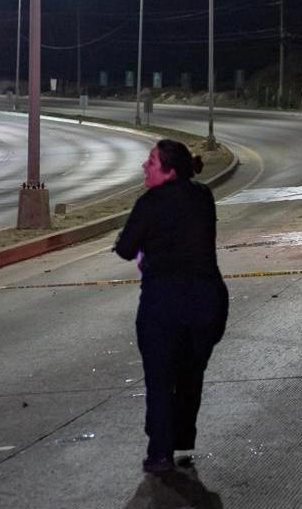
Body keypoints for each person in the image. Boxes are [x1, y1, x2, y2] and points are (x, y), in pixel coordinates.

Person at [115, 139, 229, 475]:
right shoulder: (203, 196)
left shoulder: (150, 202)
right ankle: (181, 435)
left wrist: (140, 248)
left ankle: (160, 452)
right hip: (207, 301)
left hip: (164, 303)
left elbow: (125, 248)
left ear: (168, 170)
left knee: (161, 378)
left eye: (151, 161)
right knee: (191, 373)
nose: (144, 167)